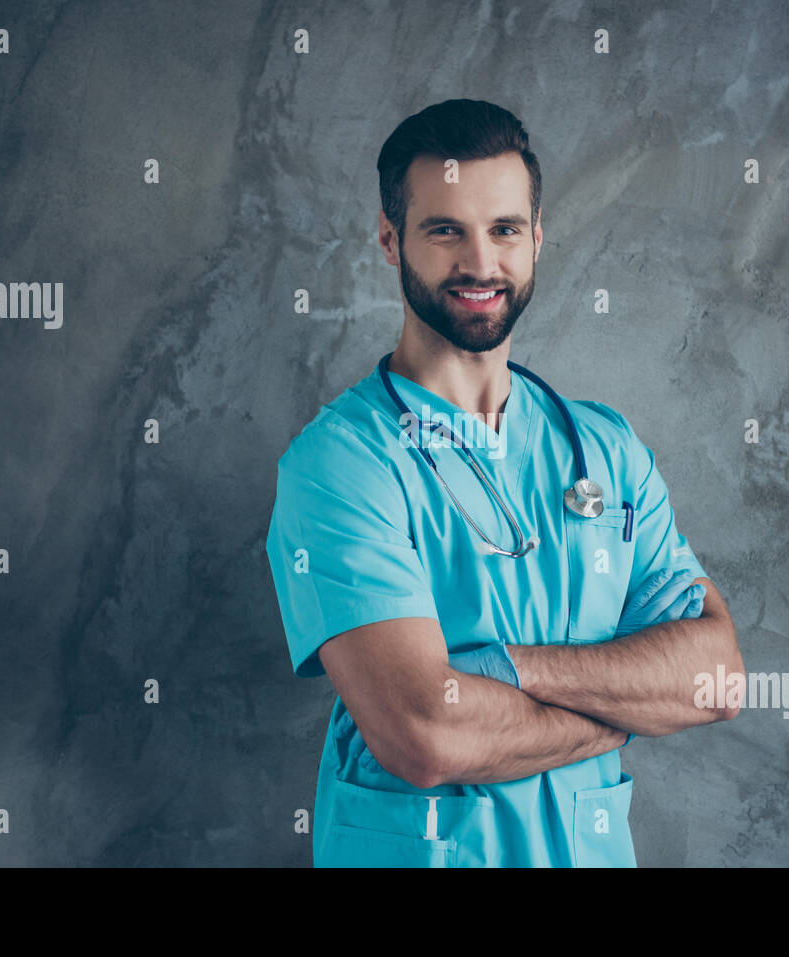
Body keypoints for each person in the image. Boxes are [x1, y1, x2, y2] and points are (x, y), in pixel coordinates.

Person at [265, 98, 744, 867]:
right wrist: (618, 714)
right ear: (391, 240)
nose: (480, 263)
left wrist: (510, 669)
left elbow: (714, 676)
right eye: (445, 229)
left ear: (537, 237)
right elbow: (426, 735)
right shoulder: (343, 464)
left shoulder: (604, 449)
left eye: (504, 229)